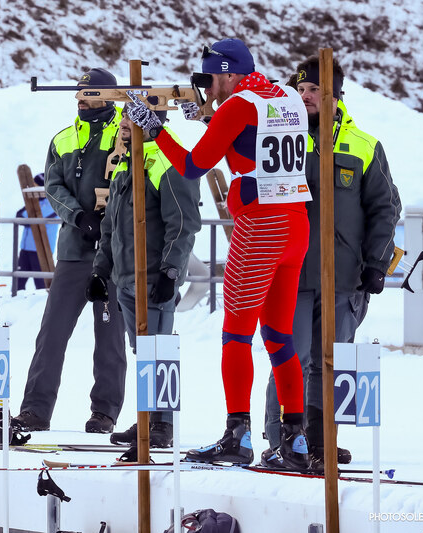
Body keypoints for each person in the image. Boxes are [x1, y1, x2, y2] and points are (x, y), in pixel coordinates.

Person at [125, 38, 312, 469]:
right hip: (295, 224)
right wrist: (209, 117)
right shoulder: (285, 96)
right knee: (279, 337)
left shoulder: (236, 106)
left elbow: (193, 166)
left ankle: (237, 435)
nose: (207, 87)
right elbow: (250, 143)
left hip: (260, 226)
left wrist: (155, 129)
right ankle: (295, 440)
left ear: (228, 74)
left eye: (209, 79)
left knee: (236, 335)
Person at [263, 56, 401, 468]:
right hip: (290, 273)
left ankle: (321, 441)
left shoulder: (363, 145)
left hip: (343, 277)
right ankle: (283, 441)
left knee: (332, 361)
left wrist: (376, 263)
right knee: (290, 358)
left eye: (314, 90)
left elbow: (385, 208)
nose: (305, 96)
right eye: (300, 90)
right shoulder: (280, 139)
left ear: (335, 96)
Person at [12, 68, 126, 434]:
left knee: (110, 338)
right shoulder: (62, 139)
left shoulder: (127, 134)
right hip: (75, 250)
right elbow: (54, 186)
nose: (81, 102)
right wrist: (78, 216)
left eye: (89, 96)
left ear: (108, 97)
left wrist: (109, 221)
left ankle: (105, 412)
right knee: (51, 334)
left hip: (113, 254)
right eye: (79, 95)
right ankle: (35, 410)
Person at [88, 99, 201, 447]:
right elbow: (110, 225)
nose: (124, 123)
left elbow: (183, 223)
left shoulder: (168, 160)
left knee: (158, 351)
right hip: (125, 277)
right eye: (123, 116)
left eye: (132, 117)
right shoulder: (126, 161)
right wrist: (100, 270)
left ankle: (161, 424)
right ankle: (147, 418)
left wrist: (170, 272)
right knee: (145, 353)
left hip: (153, 277)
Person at [16, 173, 59, 290]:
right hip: (25, 248)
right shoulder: (34, 202)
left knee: (41, 286)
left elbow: (31, 218)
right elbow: (19, 215)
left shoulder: (52, 204)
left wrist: (28, 217)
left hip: (41, 250)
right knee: (17, 284)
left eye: (35, 186)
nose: (32, 189)